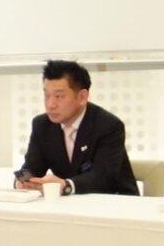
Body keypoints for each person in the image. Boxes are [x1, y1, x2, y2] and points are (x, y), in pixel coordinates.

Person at [14, 59, 137, 196]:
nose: (50, 104)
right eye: (46, 95)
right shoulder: (42, 125)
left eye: (59, 96)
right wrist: (23, 181)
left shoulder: (108, 126)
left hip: (114, 200)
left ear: (82, 97)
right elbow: (32, 167)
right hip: (67, 204)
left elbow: (103, 177)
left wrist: (67, 186)